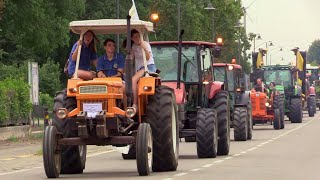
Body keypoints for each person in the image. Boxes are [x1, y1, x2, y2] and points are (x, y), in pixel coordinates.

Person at [131, 29, 157, 112]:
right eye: (135, 37)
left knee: (133, 79)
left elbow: (147, 58)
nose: (137, 38)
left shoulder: (145, 44)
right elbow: (131, 58)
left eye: (139, 36)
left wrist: (145, 49)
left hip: (148, 67)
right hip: (139, 69)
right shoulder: (133, 47)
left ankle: (135, 104)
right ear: (132, 38)